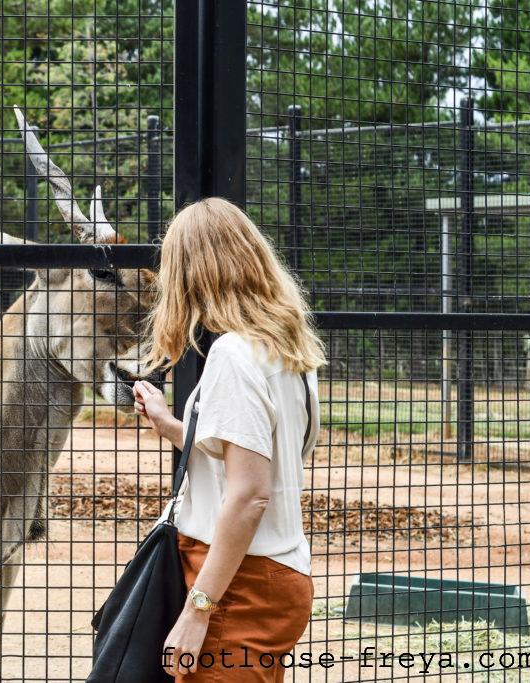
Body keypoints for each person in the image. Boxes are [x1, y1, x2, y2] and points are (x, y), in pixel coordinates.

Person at [133, 197, 324, 682]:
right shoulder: (286, 348)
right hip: (278, 573)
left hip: (238, 583)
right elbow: (259, 458)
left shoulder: (233, 355)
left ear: (192, 272)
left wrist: (199, 610)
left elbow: (250, 493)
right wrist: (170, 425)